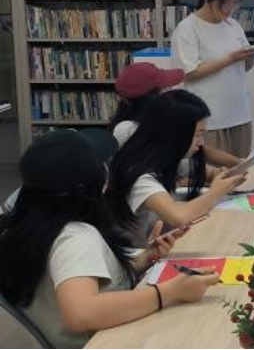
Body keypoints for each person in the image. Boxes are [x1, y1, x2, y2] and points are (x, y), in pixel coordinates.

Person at [0, 130, 219, 349]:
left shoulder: (27, 224)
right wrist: (169, 292)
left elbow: (72, 273)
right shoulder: (75, 238)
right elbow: (80, 313)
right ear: (95, 183)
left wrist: (144, 257)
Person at [107, 90, 246, 247]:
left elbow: (208, 172)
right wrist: (216, 192)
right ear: (175, 134)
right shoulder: (138, 174)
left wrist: (226, 176)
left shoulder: (165, 159)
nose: (201, 143)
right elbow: (178, 217)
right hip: (136, 256)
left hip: (153, 244)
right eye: (197, 135)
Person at [171, 0, 254, 157]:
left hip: (239, 113)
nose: (230, 8)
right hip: (209, 119)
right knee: (213, 170)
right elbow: (188, 73)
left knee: (239, 166)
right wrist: (230, 59)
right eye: (225, 2)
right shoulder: (188, 28)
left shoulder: (233, 25)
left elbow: (244, 68)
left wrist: (249, 57)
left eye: (235, 3)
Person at [111, 62, 244, 174]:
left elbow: (195, 150)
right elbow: (151, 177)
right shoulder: (126, 129)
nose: (171, 91)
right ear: (151, 98)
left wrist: (238, 164)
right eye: (166, 88)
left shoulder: (164, 120)